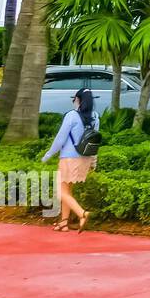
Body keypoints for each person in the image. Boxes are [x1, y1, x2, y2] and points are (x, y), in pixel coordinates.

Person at [42, 88, 97, 232]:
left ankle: (82, 214)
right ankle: (64, 223)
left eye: (74, 99)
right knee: (67, 190)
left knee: (60, 192)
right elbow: (94, 142)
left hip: (69, 158)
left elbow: (60, 139)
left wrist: (48, 155)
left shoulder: (72, 116)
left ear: (78, 100)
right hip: (85, 159)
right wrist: (93, 162)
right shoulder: (95, 117)